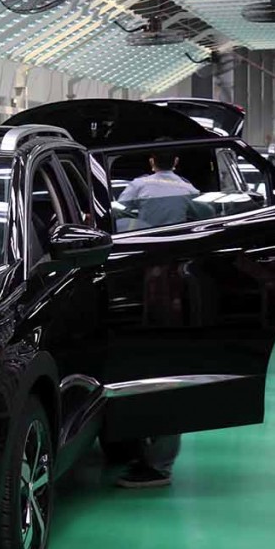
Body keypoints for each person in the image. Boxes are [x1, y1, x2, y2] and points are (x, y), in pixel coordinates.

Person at [113, 143, 198, 489]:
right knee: (167, 368)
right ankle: (153, 455)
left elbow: (113, 221)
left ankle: (155, 463)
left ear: (151, 161)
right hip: (178, 284)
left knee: (140, 368)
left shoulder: (136, 187)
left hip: (134, 281)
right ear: (175, 162)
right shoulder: (190, 190)